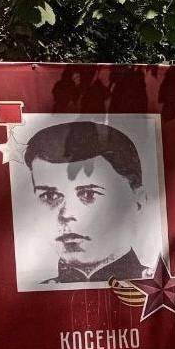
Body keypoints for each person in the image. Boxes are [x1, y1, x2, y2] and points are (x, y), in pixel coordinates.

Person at [25, 121, 151, 283]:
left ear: (137, 201)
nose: (66, 215)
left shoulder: (158, 289)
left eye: (88, 194)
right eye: (50, 197)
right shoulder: (33, 298)